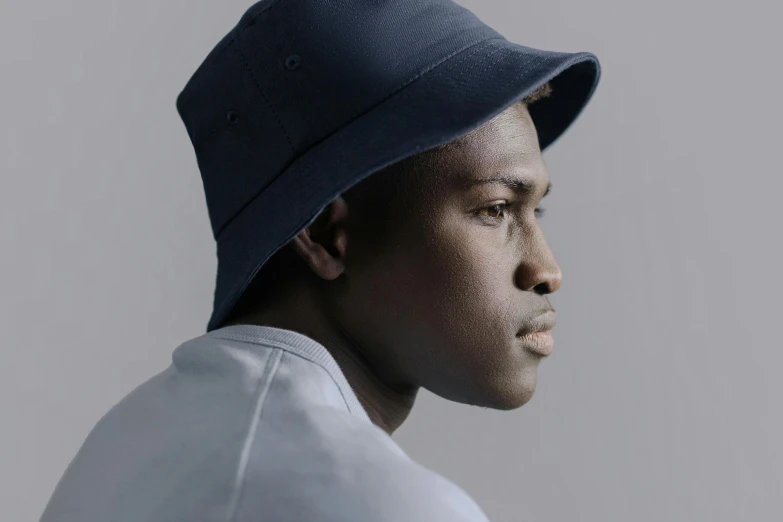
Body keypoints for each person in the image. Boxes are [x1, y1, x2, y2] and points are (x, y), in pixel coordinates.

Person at [38, 1, 600, 521]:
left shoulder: (125, 445)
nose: (546, 270)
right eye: (497, 209)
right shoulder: (388, 506)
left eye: (536, 213)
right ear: (327, 235)